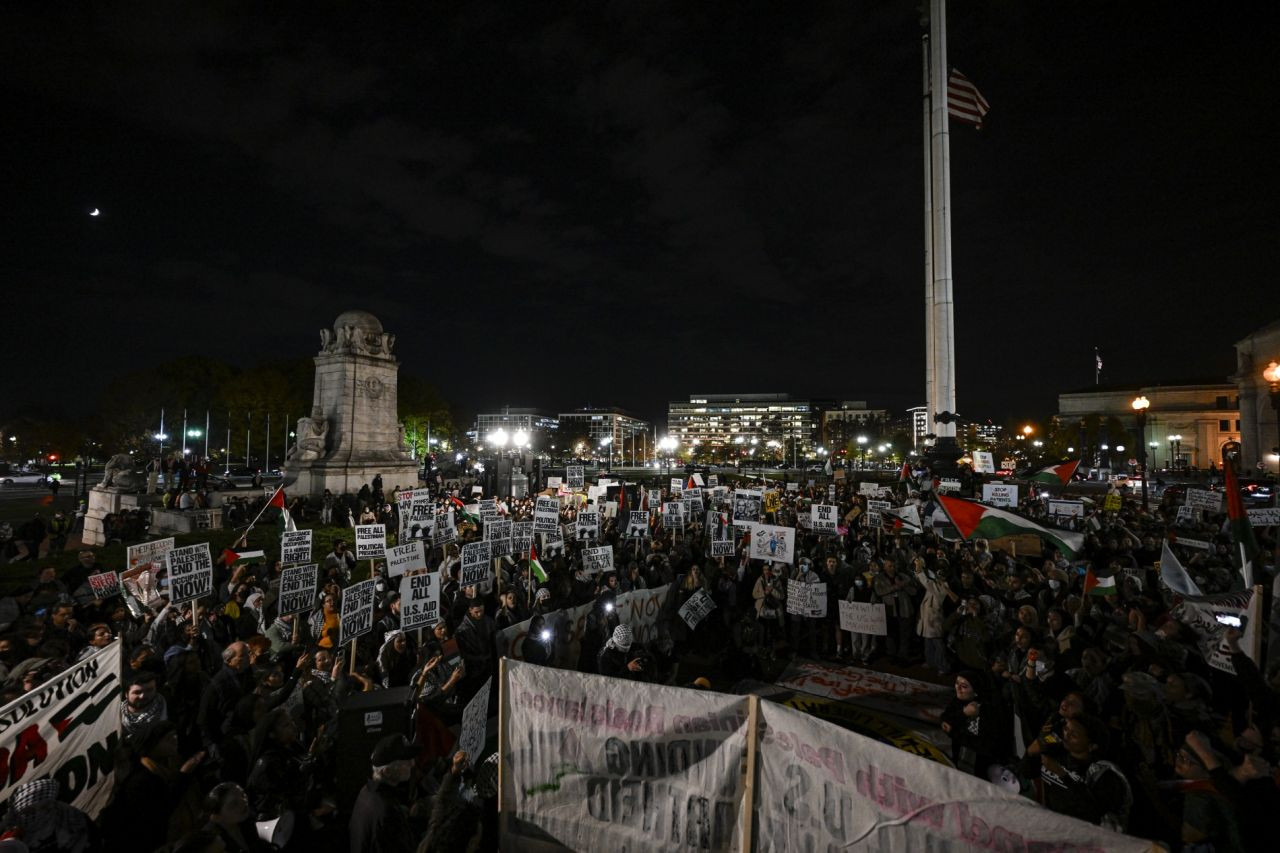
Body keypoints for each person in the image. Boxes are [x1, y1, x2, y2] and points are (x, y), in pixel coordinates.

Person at [349, 734, 419, 853]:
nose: (412, 764)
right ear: (387, 771)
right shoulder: (387, 811)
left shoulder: (366, 792)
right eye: (406, 760)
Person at [0, 778, 100, 853]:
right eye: (29, 811)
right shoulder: (11, 835)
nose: (37, 814)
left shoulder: (72, 818)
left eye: (45, 808)